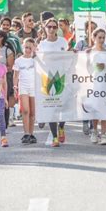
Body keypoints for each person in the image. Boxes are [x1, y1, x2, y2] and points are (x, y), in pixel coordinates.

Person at [37, 17, 70, 147]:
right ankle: (55, 138)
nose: (51, 29)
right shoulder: (42, 44)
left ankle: (61, 126)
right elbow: (39, 60)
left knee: (64, 106)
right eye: (49, 27)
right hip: (48, 78)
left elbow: (69, 56)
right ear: (45, 28)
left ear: (57, 29)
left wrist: (73, 53)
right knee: (51, 107)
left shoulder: (62, 41)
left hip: (62, 76)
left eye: (54, 27)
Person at [87, 28, 106, 145]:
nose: (101, 40)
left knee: (104, 109)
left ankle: (104, 134)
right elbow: (87, 69)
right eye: (99, 37)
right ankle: (94, 132)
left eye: (103, 37)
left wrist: (105, 65)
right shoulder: (89, 52)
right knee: (95, 109)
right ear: (94, 38)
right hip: (94, 85)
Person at [13, 38, 37, 144]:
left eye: (30, 48)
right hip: (23, 87)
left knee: (32, 112)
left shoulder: (36, 60)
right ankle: (26, 133)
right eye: (26, 47)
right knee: (25, 110)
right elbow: (15, 75)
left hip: (34, 87)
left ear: (34, 48)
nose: (27, 50)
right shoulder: (18, 61)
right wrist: (15, 87)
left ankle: (31, 134)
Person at [0, 30, 16, 129]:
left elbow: (10, 67)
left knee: (3, 99)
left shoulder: (7, 50)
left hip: (4, 79)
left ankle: (5, 122)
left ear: (1, 38)